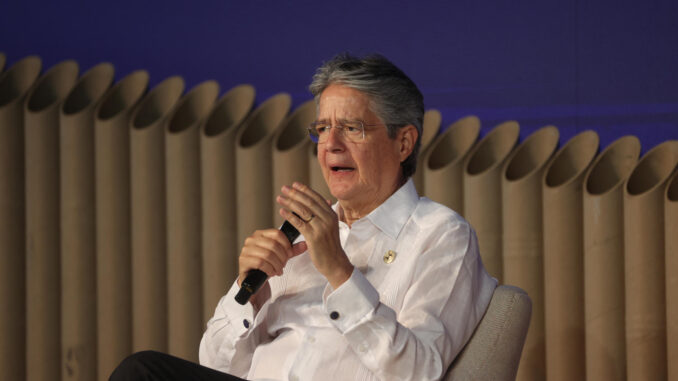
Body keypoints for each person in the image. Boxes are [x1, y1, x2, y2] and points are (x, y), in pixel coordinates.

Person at [110, 53, 496, 381]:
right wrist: (250, 295)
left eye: (351, 128)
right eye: (323, 128)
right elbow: (216, 364)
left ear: (404, 142)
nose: (331, 145)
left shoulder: (442, 236)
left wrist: (340, 273)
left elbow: (418, 372)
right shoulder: (301, 234)